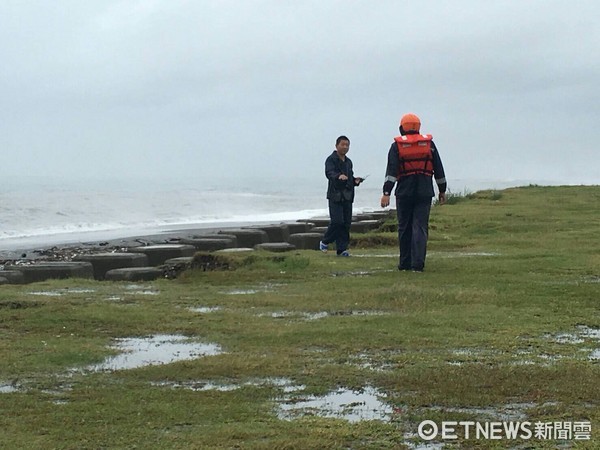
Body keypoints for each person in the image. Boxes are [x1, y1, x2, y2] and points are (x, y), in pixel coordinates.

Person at [380, 113, 447, 271]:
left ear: (402, 128)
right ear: (418, 127)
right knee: (420, 227)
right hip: (425, 191)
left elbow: (391, 172)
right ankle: (418, 264)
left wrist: (386, 193)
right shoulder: (429, 144)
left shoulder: (396, 146)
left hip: (404, 192)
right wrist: (442, 190)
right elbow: (439, 169)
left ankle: (404, 264)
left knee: (404, 227)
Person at [320, 135, 364, 256]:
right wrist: (338, 177)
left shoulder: (349, 162)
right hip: (335, 196)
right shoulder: (331, 159)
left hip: (348, 196)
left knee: (346, 224)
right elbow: (329, 173)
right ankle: (325, 241)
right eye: (342, 144)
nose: (345, 147)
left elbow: (349, 178)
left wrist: (355, 181)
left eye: (347, 145)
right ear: (336, 146)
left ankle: (342, 249)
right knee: (337, 221)